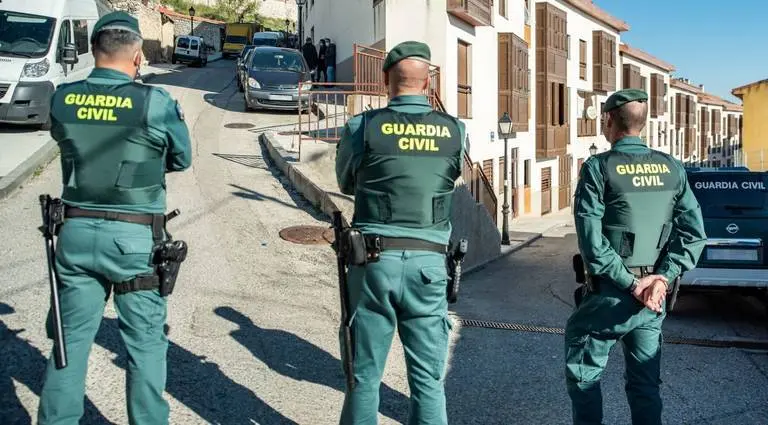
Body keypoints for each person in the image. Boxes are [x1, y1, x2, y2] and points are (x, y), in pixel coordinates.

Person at [37, 11, 192, 425]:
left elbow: (62, 136)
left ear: (92, 50)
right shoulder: (154, 103)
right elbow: (182, 157)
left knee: (68, 345)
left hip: (75, 232)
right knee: (144, 347)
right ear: (138, 56)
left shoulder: (63, 97)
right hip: (135, 240)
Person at [335, 41, 464, 425]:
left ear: (386, 79)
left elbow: (345, 181)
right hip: (429, 265)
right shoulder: (455, 132)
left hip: (373, 263)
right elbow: (451, 177)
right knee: (427, 382)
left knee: (364, 378)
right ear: (428, 83)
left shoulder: (363, 127)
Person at [564, 89, 706, 425]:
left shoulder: (599, 168)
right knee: (645, 385)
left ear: (609, 120)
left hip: (611, 296)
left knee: (584, 377)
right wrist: (662, 278)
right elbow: (693, 234)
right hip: (652, 300)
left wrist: (632, 284)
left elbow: (592, 243)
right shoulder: (672, 168)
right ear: (643, 124)